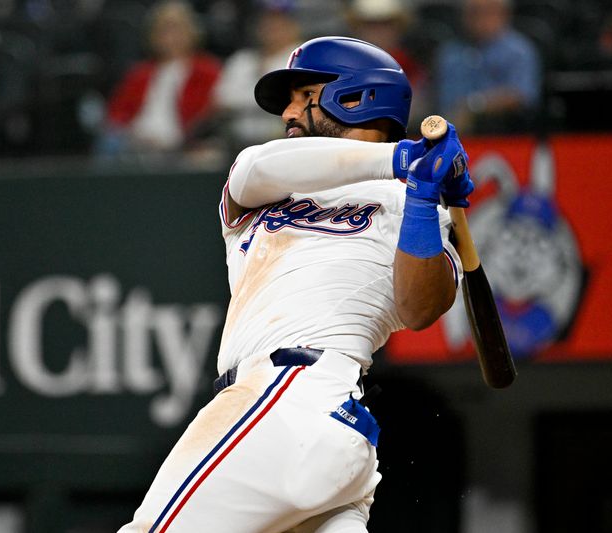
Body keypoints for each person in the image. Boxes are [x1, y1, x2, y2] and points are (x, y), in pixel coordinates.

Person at [118, 36, 474, 533]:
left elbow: (419, 308)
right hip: (308, 427)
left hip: (293, 396)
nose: (285, 112)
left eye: (300, 95)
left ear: (354, 98)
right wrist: (403, 159)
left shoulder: (413, 208)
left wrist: (419, 197)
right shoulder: (270, 183)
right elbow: (253, 169)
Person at [96, 1, 221, 156]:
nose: (170, 37)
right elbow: (116, 113)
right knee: (109, 141)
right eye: (163, 30)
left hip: (182, 142)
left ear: (191, 32)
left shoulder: (206, 70)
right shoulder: (140, 73)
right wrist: (133, 133)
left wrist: (180, 138)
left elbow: (208, 113)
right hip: (135, 143)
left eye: (176, 29)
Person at [434, 0, 541, 135]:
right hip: (449, 131)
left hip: (503, 133)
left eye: (487, 12)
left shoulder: (519, 51)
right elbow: (439, 98)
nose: (479, 19)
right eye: (473, 12)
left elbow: (522, 96)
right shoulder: (450, 53)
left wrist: (474, 106)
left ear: (504, 14)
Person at [213, 0, 302, 150]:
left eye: (279, 22)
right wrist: (268, 101)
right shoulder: (241, 60)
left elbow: (297, 103)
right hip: (237, 144)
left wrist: (244, 101)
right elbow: (221, 101)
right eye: (266, 21)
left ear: (294, 26)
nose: (272, 27)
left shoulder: (302, 59)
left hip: (287, 143)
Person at [345, 0, 430, 131]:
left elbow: (415, 113)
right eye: (371, 24)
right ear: (358, 28)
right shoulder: (343, 65)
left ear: (398, 28)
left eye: (385, 24)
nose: (378, 31)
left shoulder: (410, 67)